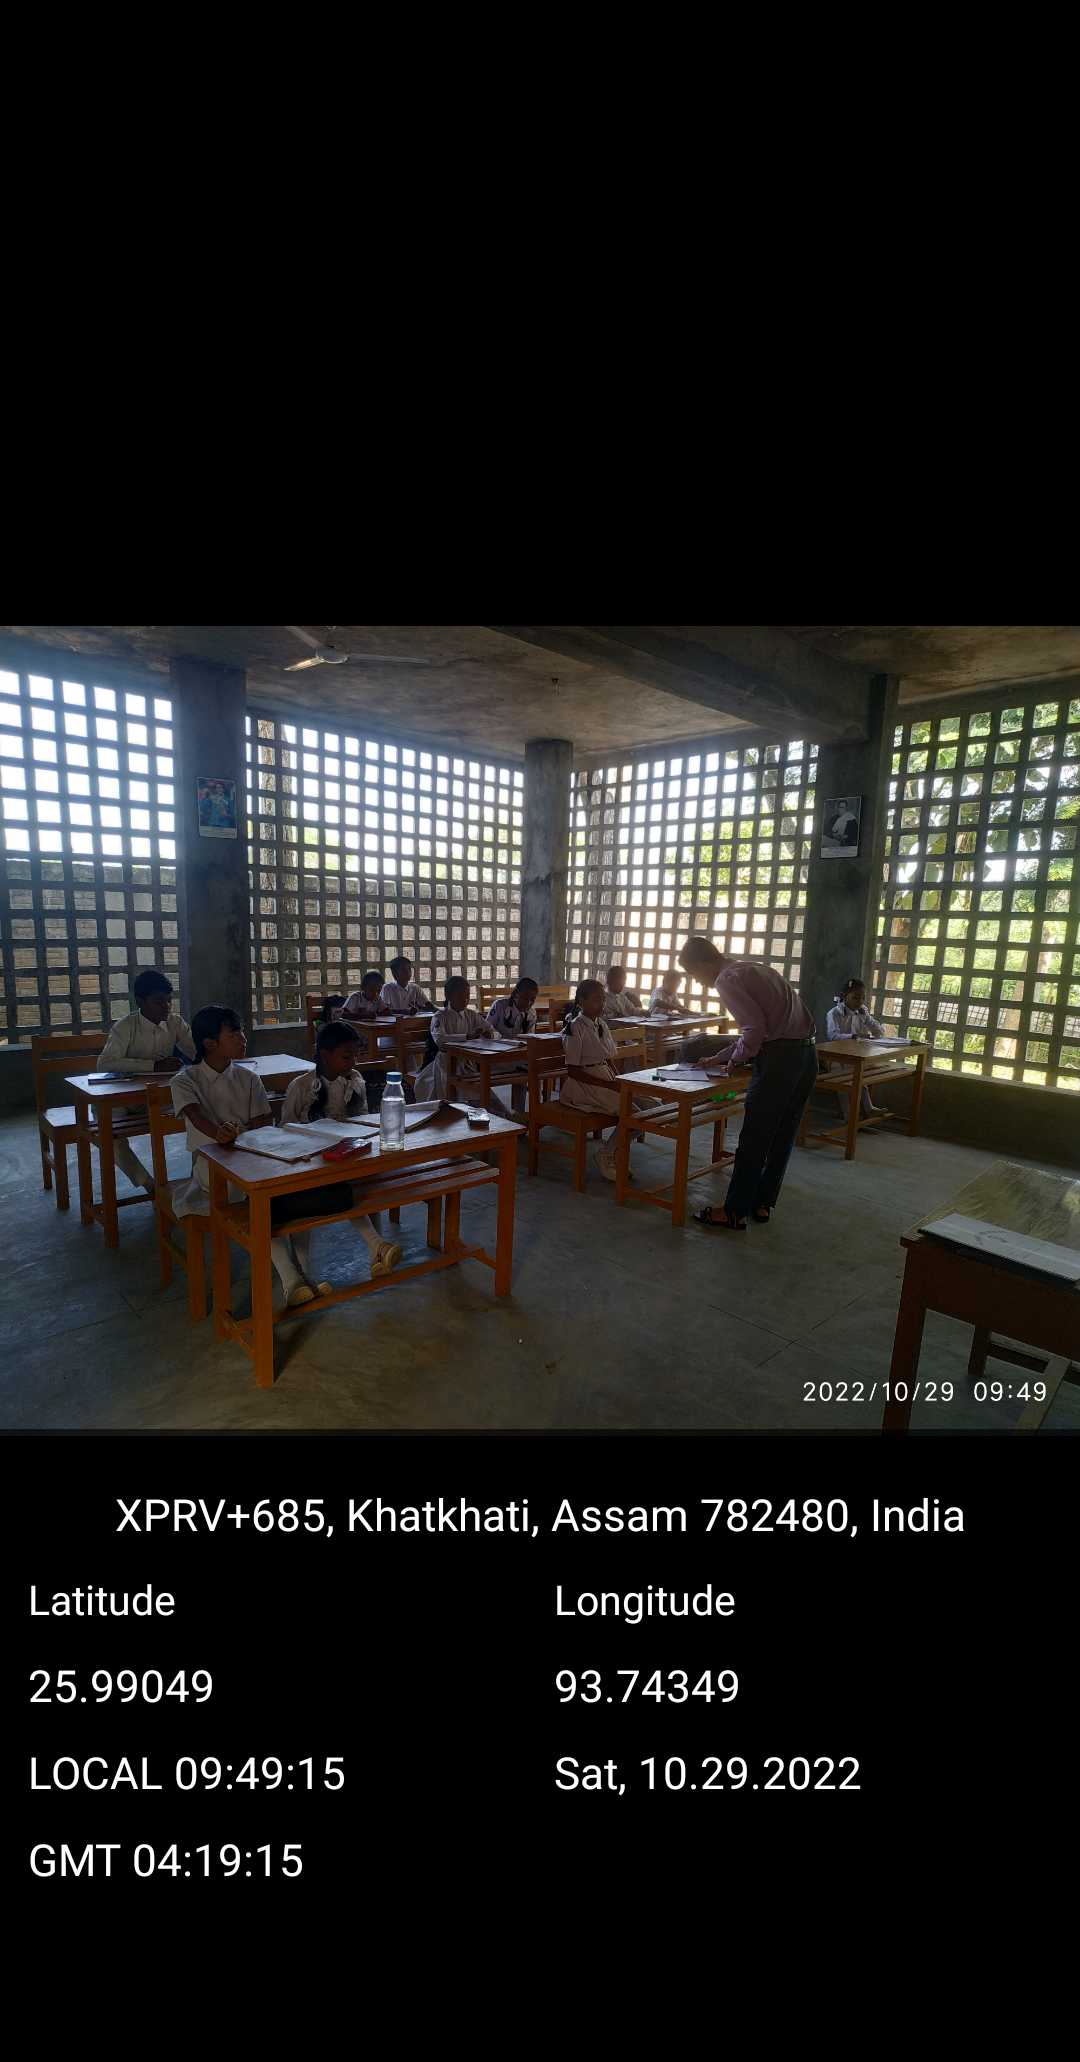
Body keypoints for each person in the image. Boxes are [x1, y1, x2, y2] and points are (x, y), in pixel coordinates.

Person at [170, 1006, 350, 1309]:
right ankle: (291, 1278)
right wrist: (220, 1133)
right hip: (212, 1166)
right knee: (258, 1200)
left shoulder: (248, 1077)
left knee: (292, 1188)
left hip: (254, 1157)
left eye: (241, 1031)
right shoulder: (185, 1080)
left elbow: (262, 1123)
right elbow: (196, 1117)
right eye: (234, 1033)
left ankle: (304, 1273)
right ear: (210, 1043)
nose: (243, 1038)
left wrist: (241, 1134)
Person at [678, 935, 817, 1230]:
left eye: (694, 974)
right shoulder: (752, 968)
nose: (698, 982)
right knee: (783, 1134)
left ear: (702, 964)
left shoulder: (726, 980)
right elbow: (760, 1029)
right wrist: (720, 1057)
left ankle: (734, 1211)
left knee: (754, 1136)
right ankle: (763, 1202)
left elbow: (754, 1032)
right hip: (806, 1056)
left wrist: (736, 1060)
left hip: (779, 1061)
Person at [281, 1022, 402, 1278]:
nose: (353, 1062)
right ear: (325, 1055)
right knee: (314, 1199)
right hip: (310, 1164)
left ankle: (375, 1251)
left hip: (348, 1157)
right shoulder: (301, 1086)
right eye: (347, 1056)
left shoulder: (355, 1079)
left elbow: (363, 1119)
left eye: (356, 1056)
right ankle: (303, 1270)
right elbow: (285, 1130)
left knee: (364, 1188)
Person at [98, 969, 196, 1196]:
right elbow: (104, 1064)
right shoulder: (125, 1027)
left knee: (203, 1114)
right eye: (158, 1001)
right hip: (122, 1100)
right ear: (140, 1002)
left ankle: (199, 1178)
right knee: (108, 1134)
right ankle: (149, 1185)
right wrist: (153, 1066)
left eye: (169, 1001)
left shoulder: (175, 1023)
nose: (166, 1007)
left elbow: (196, 1053)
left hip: (158, 1099)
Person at [559, 980, 659, 1182]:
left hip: (604, 1078)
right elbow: (573, 1071)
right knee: (634, 1115)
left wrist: (618, 1080)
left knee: (652, 1108)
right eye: (596, 1000)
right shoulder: (575, 1027)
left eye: (603, 999)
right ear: (581, 1001)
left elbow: (608, 1058)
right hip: (583, 1086)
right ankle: (606, 1153)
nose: (602, 1004)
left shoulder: (601, 1024)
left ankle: (615, 1151)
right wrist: (608, 1084)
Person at [414, 977, 496, 1102]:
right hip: (445, 1063)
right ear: (448, 996)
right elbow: (440, 1041)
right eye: (460, 996)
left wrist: (490, 1034)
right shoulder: (440, 1016)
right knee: (445, 1092)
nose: (465, 1000)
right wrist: (467, 1037)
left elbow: (493, 1030)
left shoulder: (471, 1015)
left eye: (467, 996)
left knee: (479, 1091)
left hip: (467, 1062)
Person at [825, 977, 886, 1118]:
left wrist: (868, 1019)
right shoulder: (834, 1013)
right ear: (844, 996)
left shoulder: (862, 1013)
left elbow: (879, 1032)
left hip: (856, 1057)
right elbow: (832, 1035)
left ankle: (868, 1109)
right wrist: (853, 1036)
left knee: (860, 1077)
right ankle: (849, 1115)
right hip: (836, 1057)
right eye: (855, 998)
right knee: (843, 1079)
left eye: (863, 998)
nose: (860, 1001)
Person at [488, 976, 538, 1112]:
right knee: (523, 1068)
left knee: (525, 1070)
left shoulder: (532, 1013)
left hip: (515, 1057)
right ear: (516, 994)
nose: (529, 1003)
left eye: (533, 1000)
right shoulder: (500, 1006)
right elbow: (487, 1029)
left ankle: (519, 1112)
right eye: (525, 998)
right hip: (495, 1056)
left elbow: (529, 1037)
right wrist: (497, 1038)